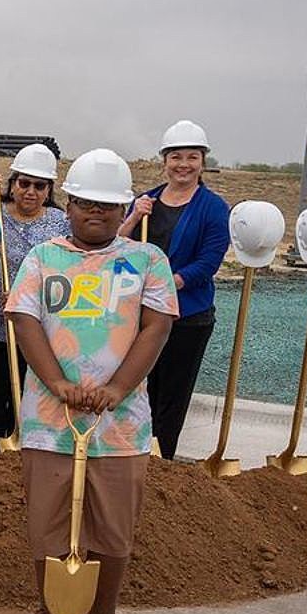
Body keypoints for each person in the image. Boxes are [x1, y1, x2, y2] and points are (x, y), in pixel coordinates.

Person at [7, 149, 176, 614]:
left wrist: (118, 387)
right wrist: (56, 381)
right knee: (49, 519)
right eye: (84, 203)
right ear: (70, 204)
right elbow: (25, 319)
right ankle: (51, 611)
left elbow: (157, 327)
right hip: (48, 418)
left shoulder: (148, 260)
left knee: (113, 523)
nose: (95, 213)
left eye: (107, 205)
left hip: (121, 423)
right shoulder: (44, 258)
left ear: (123, 207)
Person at [118, 119, 231, 459]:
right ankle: (131, 454)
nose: (184, 165)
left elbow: (208, 262)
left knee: (171, 394)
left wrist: (166, 285)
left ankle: (161, 458)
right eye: (176, 157)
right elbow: (117, 247)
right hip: (141, 315)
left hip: (187, 317)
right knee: (135, 386)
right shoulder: (145, 201)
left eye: (192, 157)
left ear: (203, 162)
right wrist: (135, 216)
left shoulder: (212, 207)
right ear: (164, 161)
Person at [0, 143, 69, 454]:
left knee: (25, 397)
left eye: (39, 186)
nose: (30, 191)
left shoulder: (60, 222)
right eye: (23, 183)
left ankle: (18, 458)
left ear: (48, 189)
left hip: (35, 327)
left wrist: (27, 297)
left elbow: (66, 271)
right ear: (13, 183)